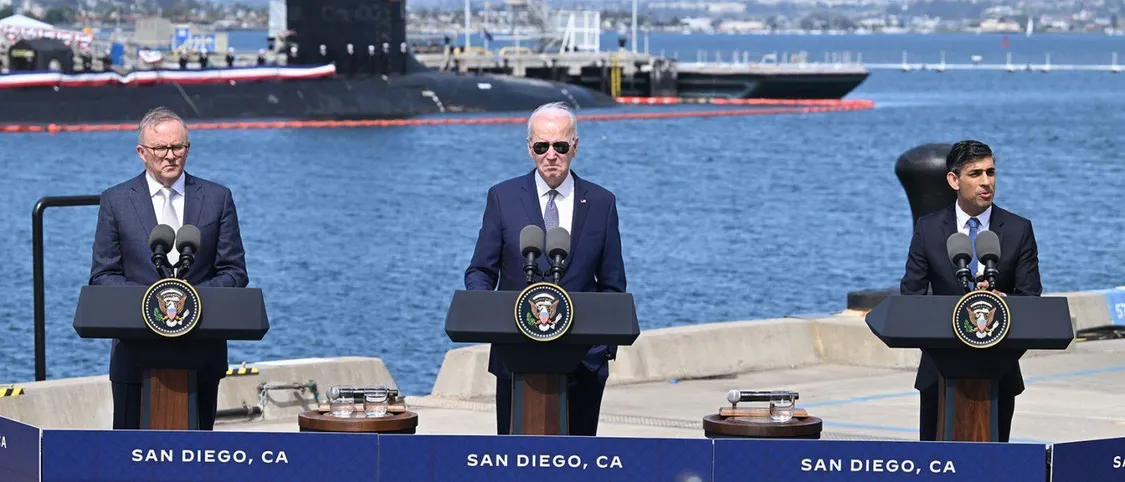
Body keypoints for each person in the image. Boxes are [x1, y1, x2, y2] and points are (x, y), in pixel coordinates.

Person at [465, 102, 627, 436]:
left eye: (560, 146)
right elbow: (480, 271)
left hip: (583, 363)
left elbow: (612, 284)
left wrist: (602, 350)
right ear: (530, 148)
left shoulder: (601, 203)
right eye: (542, 146)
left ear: (575, 147)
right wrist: (489, 317)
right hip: (517, 359)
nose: (551, 155)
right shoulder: (503, 197)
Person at [90, 106, 249, 430]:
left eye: (178, 147)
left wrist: (190, 300)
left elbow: (234, 271)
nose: (170, 156)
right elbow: (103, 275)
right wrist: (156, 300)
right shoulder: (116, 200)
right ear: (142, 152)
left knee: (194, 457)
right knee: (129, 457)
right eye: (160, 148)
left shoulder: (217, 198)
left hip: (200, 353)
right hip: (135, 355)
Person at [900, 139, 1041, 442]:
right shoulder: (929, 229)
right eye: (975, 174)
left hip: (999, 372)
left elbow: (1031, 300)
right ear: (954, 180)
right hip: (939, 373)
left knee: (993, 465)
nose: (986, 182)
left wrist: (1006, 305)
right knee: (936, 463)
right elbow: (911, 297)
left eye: (991, 172)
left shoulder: (1018, 230)